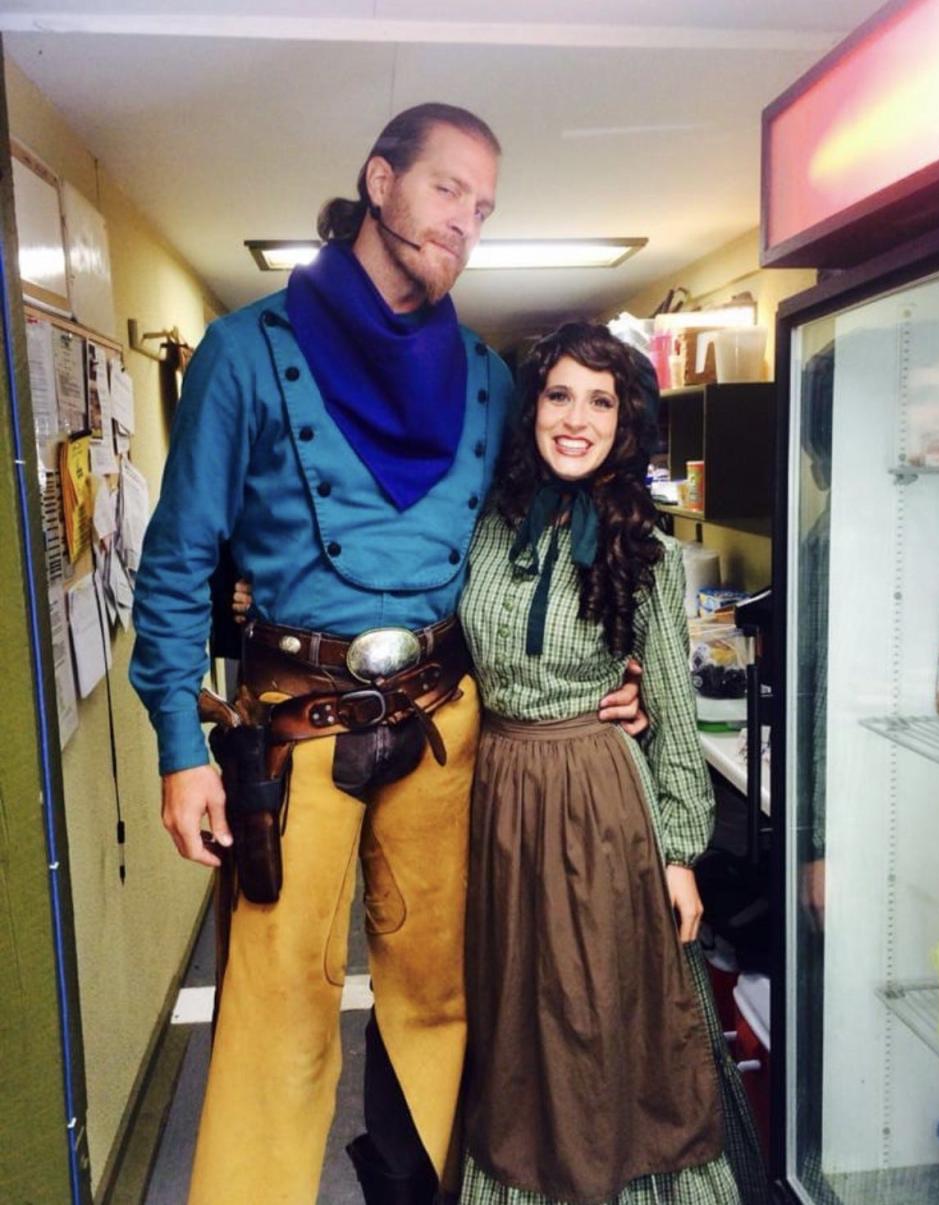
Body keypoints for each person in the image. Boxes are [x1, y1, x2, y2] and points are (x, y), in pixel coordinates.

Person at [129, 103, 643, 1205]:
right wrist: (180, 744)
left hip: (445, 716)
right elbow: (174, 564)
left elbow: (555, 521)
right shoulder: (244, 352)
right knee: (276, 1006)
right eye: (448, 188)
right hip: (294, 724)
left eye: (486, 207)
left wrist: (616, 663)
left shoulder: (490, 375)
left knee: (440, 991)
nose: (466, 222)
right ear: (379, 179)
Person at [456, 322, 742, 1204]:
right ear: (530, 407)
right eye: (559, 395)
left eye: (601, 401)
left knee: (597, 1013)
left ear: (625, 423)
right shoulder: (484, 528)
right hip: (496, 798)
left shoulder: (645, 554)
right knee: (511, 1023)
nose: (576, 419)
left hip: (597, 805)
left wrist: (682, 854)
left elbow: (669, 701)